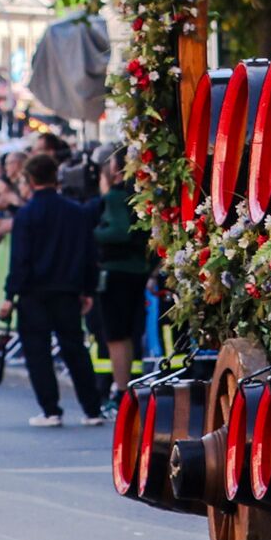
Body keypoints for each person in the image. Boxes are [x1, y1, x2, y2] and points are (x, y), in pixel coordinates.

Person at [2, 150, 106, 427]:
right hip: (67, 290)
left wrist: (10, 295)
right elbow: (88, 253)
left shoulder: (26, 215)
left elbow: (20, 260)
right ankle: (92, 409)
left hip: (33, 293)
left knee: (38, 352)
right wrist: (87, 290)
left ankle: (50, 409)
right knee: (75, 349)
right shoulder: (76, 213)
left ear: (30, 179)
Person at [84, 147, 151, 380]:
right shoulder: (140, 194)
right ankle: (128, 385)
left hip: (116, 272)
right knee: (130, 332)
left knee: (115, 334)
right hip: (138, 269)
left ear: (115, 168)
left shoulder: (115, 197)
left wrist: (93, 234)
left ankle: (122, 387)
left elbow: (120, 232)